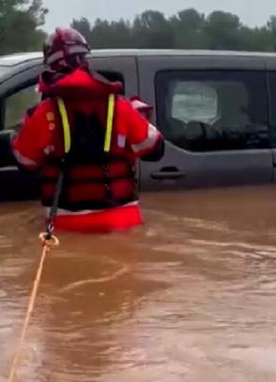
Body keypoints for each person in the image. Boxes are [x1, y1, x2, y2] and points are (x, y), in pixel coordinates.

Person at [11, 27, 163, 234]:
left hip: (67, 226)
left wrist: (17, 135)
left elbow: (25, 162)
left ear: (51, 66)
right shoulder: (121, 106)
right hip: (123, 224)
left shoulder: (43, 114)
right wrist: (139, 115)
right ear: (84, 60)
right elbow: (155, 149)